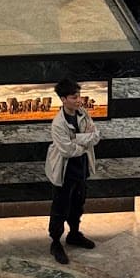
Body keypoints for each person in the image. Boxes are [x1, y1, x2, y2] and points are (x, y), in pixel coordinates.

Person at [45, 77, 100, 264]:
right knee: (60, 207)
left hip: (82, 168)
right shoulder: (58, 123)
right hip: (65, 171)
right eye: (74, 97)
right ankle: (55, 242)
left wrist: (77, 139)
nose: (78, 100)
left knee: (78, 203)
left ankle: (74, 234)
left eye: (79, 96)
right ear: (63, 99)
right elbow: (67, 150)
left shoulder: (83, 114)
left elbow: (96, 136)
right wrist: (84, 142)